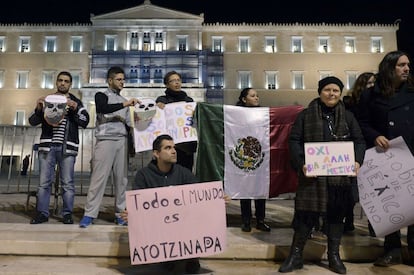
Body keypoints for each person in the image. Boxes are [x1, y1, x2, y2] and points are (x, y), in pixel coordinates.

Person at [279, 76, 366, 274]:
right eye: (327, 90)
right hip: (312, 178)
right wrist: (301, 164)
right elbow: (294, 141)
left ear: (340, 93)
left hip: (339, 179)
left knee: (336, 218)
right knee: (304, 216)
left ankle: (334, 256)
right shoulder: (305, 115)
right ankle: (296, 255)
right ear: (320, 92)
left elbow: (359, 141)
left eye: (336, 90)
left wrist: (357, 161)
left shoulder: (349, 117)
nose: (331, 94)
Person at [357, 50, 414, 267]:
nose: (406, 69)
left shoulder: (412, 92)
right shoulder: (370, 95)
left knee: (413, 203)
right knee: (391, 205)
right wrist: (375, 135)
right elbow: (361, 122)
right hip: (385, 157)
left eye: (407, 65)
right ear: (389, 68)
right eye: (401, 65)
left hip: (411, 154)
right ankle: (392, 250)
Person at [121, 134, 201, 274]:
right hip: (159, 229)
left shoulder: (184, 173)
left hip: (181, 226)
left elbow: (200, 197)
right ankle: (166, 256)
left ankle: (192, 257)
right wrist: (131, 213)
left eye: (174, 148)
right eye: (168, 148)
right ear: (156, 153)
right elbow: (137, 203)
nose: (174, 151)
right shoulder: (144, 175)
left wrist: (217, 200)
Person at [79, 66, 140, 228]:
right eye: (119, 79)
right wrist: (126, 103)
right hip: (105, 140)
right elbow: (102, 109)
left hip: (122, 141)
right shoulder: (101, 95)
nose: (122, 82)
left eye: (123, 79)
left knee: (122, 180)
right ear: (110, 80)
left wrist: (132, 145)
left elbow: (128, 126)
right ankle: (89, 214)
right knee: (98, 178)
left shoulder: (124, 102)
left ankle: (120, 214)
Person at [28, 71, 90, 224]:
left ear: (70, 84)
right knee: (43, 183)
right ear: (56, 82)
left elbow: (85, 121)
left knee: (67, 183)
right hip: (47, 147)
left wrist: (75, 108)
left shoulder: (76, 102)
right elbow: (32, 121)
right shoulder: (47, 100)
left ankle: (67, 214)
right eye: (60, 80)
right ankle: (42, 213)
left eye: (66, 81)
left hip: (67, 148)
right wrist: (38, 108)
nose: (63, 83)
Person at [342, 72, 376, 234]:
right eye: (369, 83)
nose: (372, 86)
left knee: (374, 189)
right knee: (350, 189)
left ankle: (374, 223)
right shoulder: (349, 103)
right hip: (352, 148)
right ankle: (348, 221)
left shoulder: (378, 102)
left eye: (374, 83)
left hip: (372, 147)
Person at [235, 87, 271, 232]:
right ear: (244, 99)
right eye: (252, 96)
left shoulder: (263, 114)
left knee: (260, 190)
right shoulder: (235, 114)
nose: (256, 98)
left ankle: (260, 220)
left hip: (259, 155)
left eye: (257, 95)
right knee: (245, 190)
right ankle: (246, 220)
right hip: (243, 154)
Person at [155, 71, 197, 171]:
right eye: (173, 81)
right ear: (167, 84)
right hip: (170, 145)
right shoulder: (162, 100)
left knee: (186, 172)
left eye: (178, 80)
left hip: (187, 146)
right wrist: (158, 108)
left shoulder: (189, 101)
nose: (177, 83)